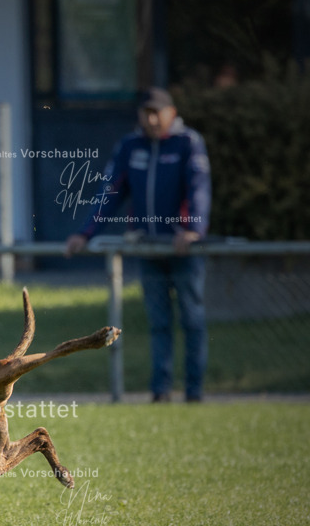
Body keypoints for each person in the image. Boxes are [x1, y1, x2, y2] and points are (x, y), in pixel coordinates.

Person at [65, 87, 212, 403]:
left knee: (192, 319)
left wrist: (193, 230)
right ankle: (161, 392)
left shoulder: (188, 143)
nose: (151, 119)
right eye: (146, 113)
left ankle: (194, 392)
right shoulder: (130, 146)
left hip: (183, 249)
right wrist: (85, 233)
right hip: (148, 249)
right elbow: (109, 192)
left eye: (157, 113)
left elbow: (199, 189)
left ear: (171, 113)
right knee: (158, 322)